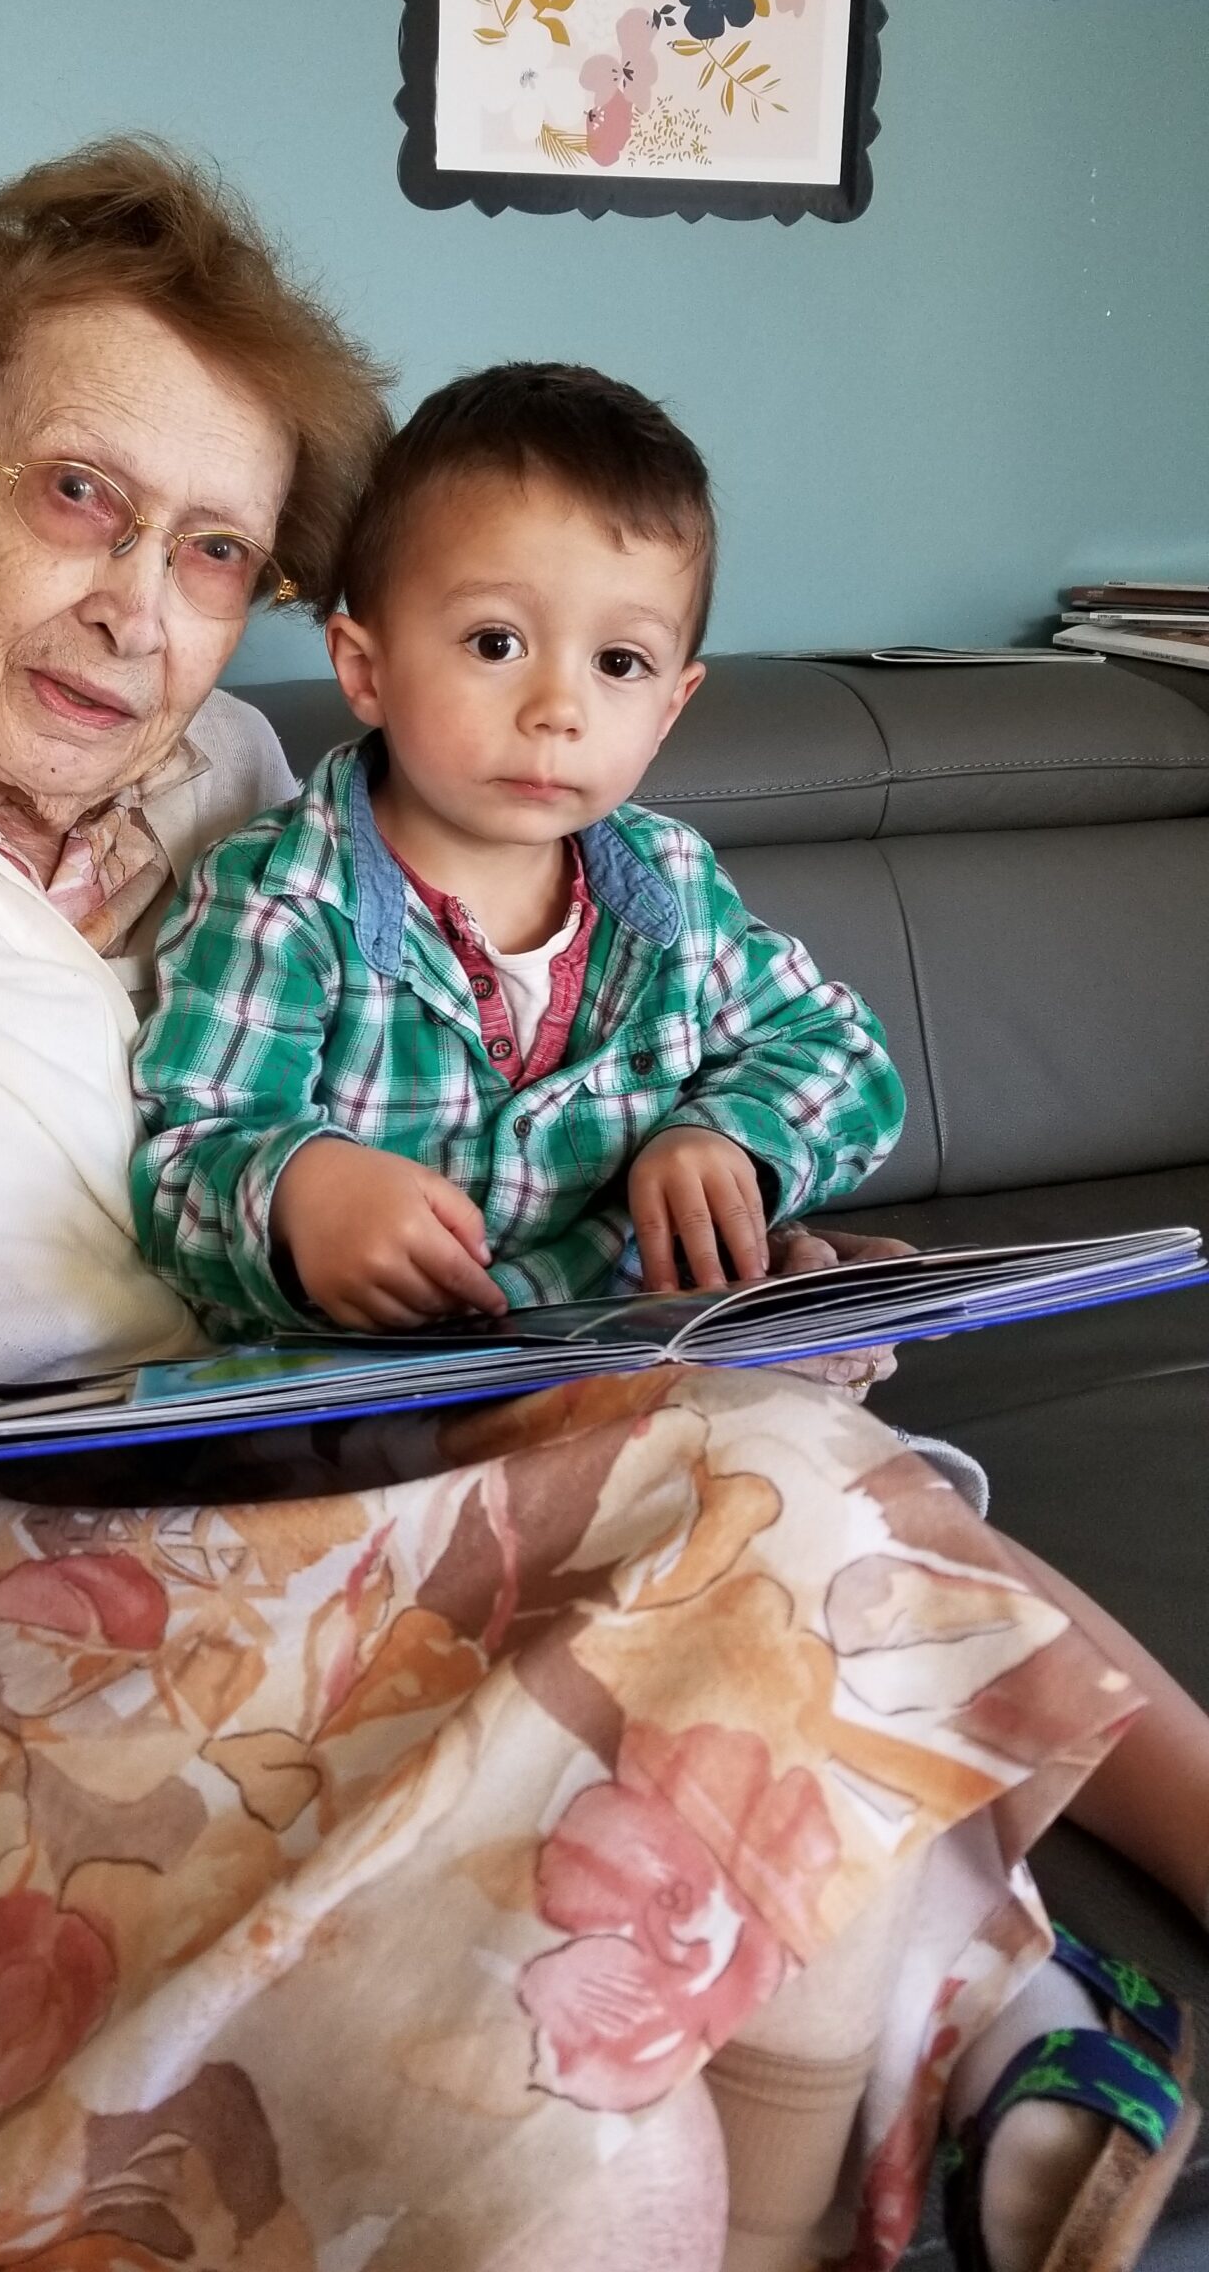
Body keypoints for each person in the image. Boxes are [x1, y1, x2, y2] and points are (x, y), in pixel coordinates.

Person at [0, 150, 1147, 2272]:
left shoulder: (249, 803)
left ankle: (869, 2052)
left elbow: (416, 1175)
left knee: (766, 1467)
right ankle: (965, 2010)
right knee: (575, 2127)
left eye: (211, 552)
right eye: (80, 494)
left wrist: (703, 1261)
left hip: (162, 1544)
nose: (137, 606)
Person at [132, 360, 1208, 2271]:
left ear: (678, 700)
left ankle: (1008, 1989)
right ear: (362, 661)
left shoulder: (671, 902)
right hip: (389, 1444)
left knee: (848, 1532)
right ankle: (1009, 2007)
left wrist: (733, 1134)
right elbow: (180, 1151)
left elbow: (840, 1058)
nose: (559, 705)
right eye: (495, 641)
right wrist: (295, 1190)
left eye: (619, 663)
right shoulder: (278, 903)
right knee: (803, 1545)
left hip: (661, 1393)